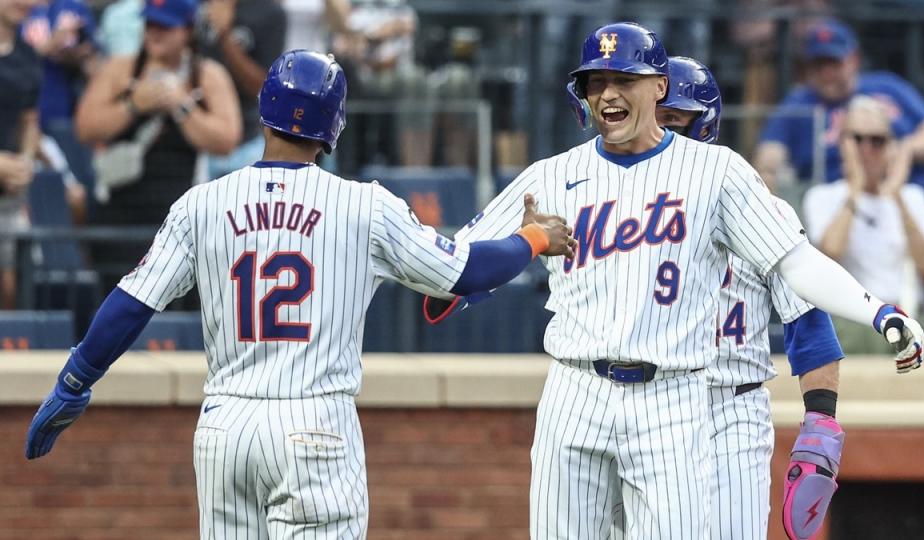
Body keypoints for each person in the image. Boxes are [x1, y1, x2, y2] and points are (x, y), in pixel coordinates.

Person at [23, 50, 576, 538]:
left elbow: (131, 303)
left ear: (263, 110)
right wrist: (533, 237)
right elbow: (468, 273)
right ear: (333, 126)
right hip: (315, 426)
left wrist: (76, 380)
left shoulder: (201, 203)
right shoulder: (366, 205)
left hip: (226, 428)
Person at [425, 23, 923, 539]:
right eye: (597, 82)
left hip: (692, 393)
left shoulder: (722, 178)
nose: (608, 94)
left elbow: (800, 274)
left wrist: (864, 335)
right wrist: (484, 259)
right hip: (576, 386)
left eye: (625, 79)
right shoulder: (550, 176)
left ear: (657, 86)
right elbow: (453, 265)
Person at [653, 56, 844, 540]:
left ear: (705, 124)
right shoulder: (620, 205)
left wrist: (821, 425)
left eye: (672, 120)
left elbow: (807, 319)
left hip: (730, 409)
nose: (659, 133)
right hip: (647, 402)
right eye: (654, 119)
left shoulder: (759, 206)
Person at [75, 0, 241, 289]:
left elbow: (227, 139)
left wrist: (182, 106)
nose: (154, 33)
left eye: (165, 26)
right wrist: (133, 106)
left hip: (179, 220)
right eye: (150, 24)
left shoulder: (206, 74)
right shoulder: (121, 68)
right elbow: (86, 127)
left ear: (187, 31)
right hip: (120, 213)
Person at [803, 95, 924, 354]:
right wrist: (855, 189)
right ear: (842, 142)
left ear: (890, 146)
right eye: (857, 139)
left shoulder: (913, 198)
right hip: (851, 319)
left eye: (877, 140)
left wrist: (895, 193)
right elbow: (830, 255)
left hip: (905, 315)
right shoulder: (822, 197)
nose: (867, 149)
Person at [754, 18, 924, 191]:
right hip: (831, 201)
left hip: (905, 191)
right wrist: (768, 174)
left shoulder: (888, 86)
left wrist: (905, 150)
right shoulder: (798, 104)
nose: (826, 73)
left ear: (854, 60)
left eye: (834, 63)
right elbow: (768, 155)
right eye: (818, 65)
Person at [21, 0, 100, 214]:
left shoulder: (74, 7)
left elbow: (93, 62)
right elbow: (13, 59)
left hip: (64, 113)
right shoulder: (18, 7)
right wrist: (51, 43)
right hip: (21, 117)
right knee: (27, 192)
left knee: (76, 195)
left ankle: (75, 246)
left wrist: (76, 56)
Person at [195, 0, 288, 177]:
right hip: (198, 140)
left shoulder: (270, 12)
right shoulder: (197, 6)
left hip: (247, 142)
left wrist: (225, 35)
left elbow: (261, 86)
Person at [0, 0, 42, 309]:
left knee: (14, 285)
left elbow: (29, 120)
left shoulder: (27, 57)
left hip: (8, 194)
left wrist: (26, 161)